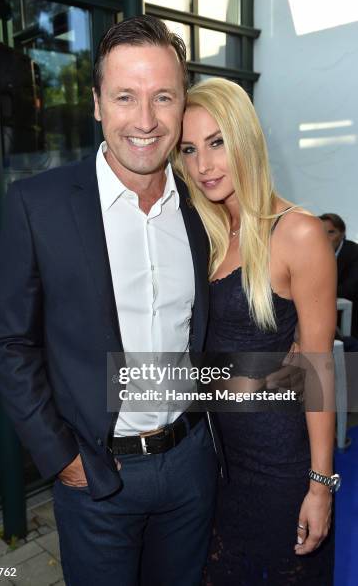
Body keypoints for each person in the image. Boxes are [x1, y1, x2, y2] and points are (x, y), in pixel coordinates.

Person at [0, 16, 219, 586]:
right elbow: (11, 342)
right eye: (125, 97)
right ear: (96, 104)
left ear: (182, 102)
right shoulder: (36, 205)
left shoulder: (204, 210)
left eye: (163, 97)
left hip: (191, 466)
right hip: (97, 475)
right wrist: (61, 458)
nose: (145, 121)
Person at [173, 77, 338, 585]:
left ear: (245, 138)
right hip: (218, 464)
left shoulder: (298, 232)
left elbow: (317, 369)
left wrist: (320, 485)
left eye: (217, 142)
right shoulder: (202, 236)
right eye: (189, 149)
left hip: (281, 466)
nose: (204, 165)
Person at [320, 212, 358, 338]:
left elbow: (349, 289)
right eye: (321, 233)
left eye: (331, 232)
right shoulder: (315, 254)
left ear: (342, 234)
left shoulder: (354, 253)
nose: (325, 238)